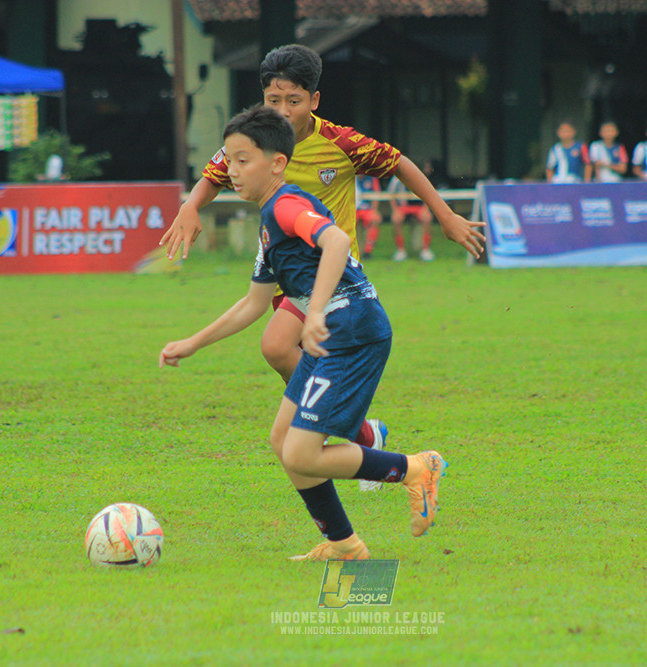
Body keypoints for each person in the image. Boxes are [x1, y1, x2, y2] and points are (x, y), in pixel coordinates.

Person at [158, 44, 484, 461]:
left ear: (313, 101)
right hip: (284, 263)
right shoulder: (255, 143)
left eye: (293, 101)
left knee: (277, 348)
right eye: (273, 100)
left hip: (331, 271)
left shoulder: (339, 142)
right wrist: (189, 206)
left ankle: (353, 433)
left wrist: (445, 216)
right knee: (277, 350)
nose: (282, 110)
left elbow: (399, 162)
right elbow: (216, 172)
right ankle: (359, 433)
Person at [159, 106, 447, 561]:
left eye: (242, 160)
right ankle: (345, 544)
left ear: (277, 163)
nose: (231, 171)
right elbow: (254, 303)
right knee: (283, 441)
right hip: (332, 333)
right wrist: (193, 342)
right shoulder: (269, 221)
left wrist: (314, 312)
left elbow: (335, 241)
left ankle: (414, 468)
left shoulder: (286, 204)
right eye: (229, 160)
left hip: (351, 331)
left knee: (301, 453)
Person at [386, 158, 437, 262]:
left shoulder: (422, 178)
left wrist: (425, 208)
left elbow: (429, 195)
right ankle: (400, 250)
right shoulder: (396, 179)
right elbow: (391, 195)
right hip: (403, 207)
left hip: (418, 207)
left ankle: (425, 249)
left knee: (427, 217)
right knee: (396, 219)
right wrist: (395, 210)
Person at [355, 174, 383, 258]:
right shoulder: (351, 177)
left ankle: (368, 250)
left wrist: (374, 210)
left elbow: (376, 194)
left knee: (375, 219)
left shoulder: (372, 178)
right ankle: (351, 251)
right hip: (353, 209)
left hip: (367, 209)